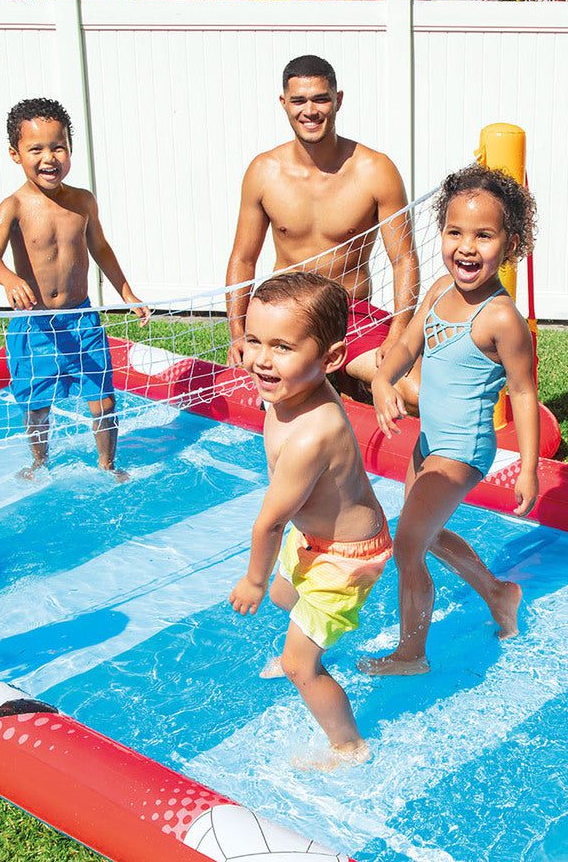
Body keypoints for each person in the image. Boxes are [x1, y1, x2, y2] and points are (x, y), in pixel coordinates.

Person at [358, 165, 537, 677]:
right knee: (429, 535)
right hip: (429, 443)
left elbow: (524, 392)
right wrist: (382, 380)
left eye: (484, 236)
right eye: (455, 232)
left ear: (511, 243)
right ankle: (499, 594)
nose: (466, 247)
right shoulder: (439, 289)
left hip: (462, 450)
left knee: (407, 546)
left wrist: (529, 468)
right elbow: (406, 346)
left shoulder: (501, 318)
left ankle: (411, 654)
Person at [229, 272, 392, 770]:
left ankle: (349, 746)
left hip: (346, 558)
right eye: (254, 340)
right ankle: (310, 634)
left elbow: (268, 524)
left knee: (299, 665)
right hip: (315, 536)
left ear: (331, 359)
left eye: (281, 347)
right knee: (287, 595)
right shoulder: (291, 390)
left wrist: (253, 580)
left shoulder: (310, 435)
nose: (261, 359)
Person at [225, 54, 421, 408]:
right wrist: (239, 333)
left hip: (349, 315)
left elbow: (404, 259)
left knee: (413, 394)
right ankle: (337, 386)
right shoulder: (264, 171)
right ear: (284, 103)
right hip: (286, 318)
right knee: (275, 406)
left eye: (320, 99)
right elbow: (243, 258)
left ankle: (347, 380)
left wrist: (398, 333)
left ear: (338, 100)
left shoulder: (375, 170)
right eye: (299, 100)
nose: (310, 111)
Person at [0, 97, 150, 480]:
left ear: (70, 149)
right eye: (36, 149)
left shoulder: (82, 201)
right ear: (15, 154)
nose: (49, 158)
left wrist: (127, 292)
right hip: (35, 325)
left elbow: (100, 248)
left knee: (103, 400)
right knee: (36, 404)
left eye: (58, 147)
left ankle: (107, 464)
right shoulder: (14, 206)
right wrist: (9, 279)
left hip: (82, 319)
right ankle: (39, 461)